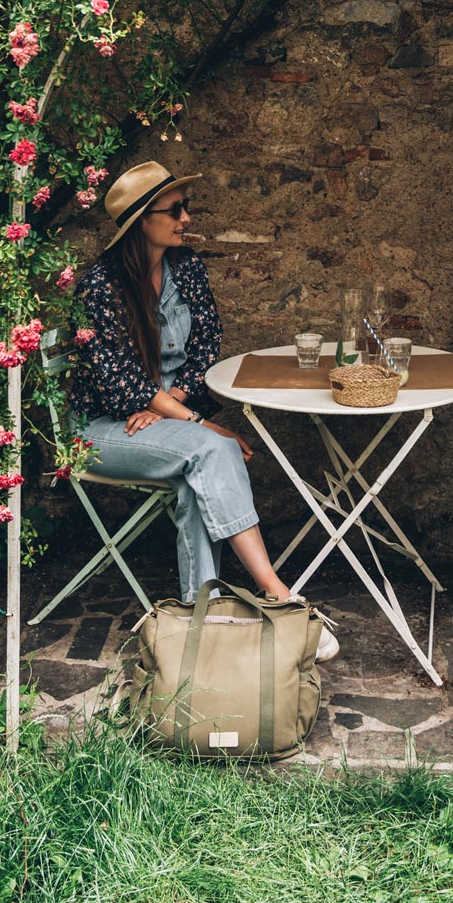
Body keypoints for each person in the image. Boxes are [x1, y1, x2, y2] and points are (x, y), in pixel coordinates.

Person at [69, 158, 339, 659]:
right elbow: (122, 382)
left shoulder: (186, 270)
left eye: (185, 208)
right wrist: (196, 423)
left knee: (202, 468)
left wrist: (173, 410)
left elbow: (206, 347)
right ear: (141, 222)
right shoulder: (99, 287)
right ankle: (278, 594)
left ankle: (205, 613)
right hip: (100, 431)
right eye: (175, 211)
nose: (186, 219)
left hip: (159, 423)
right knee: (215, 450)